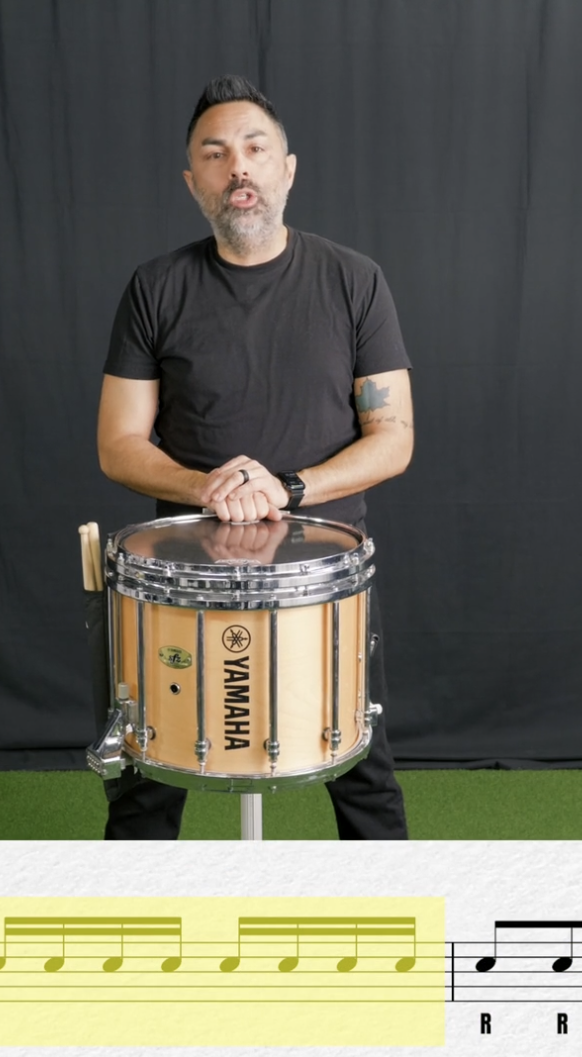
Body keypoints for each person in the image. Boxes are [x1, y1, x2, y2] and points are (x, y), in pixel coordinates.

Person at [96, 75, 415, 840]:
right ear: (193, 182)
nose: (237, 166)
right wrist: (209, 486)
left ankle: (391, 913)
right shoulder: (155, 287)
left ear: (287, 169)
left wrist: (288, 488)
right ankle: (126, 917)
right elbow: (118, 444)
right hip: (183, 576)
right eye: (215, 154)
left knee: (363, 770)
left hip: (323, 574)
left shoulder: (354, 281)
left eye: (254, 148)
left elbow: (393, 436)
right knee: (146, 777)